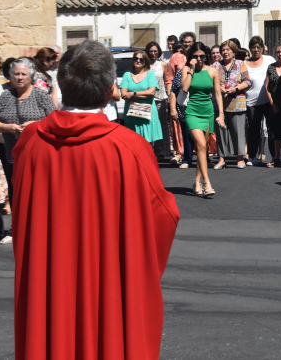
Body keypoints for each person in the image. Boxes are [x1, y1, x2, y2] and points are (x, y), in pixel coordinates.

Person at [11, 40, 179, 360]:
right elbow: (163, 218)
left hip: (50, 287)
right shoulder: (130, 149)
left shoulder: (30, 145)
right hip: (110, 291)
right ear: (109, 89)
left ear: (62, 84)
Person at [0, 58, 55, 210]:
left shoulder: (40, 95)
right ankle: (16, 229)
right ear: (11, 76)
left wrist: (36, 125)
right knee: (16, 194)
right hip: (13, 156)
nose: (20, 77)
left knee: (38, 194)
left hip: (38, 156)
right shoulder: (6, 96)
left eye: (23, 74)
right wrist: (7, 127)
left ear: (31, 76)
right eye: (16, 74)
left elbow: (54, 121)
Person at [182, 42, 225, 195]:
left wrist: (221, 114)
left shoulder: (213, 71)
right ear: (191, 57)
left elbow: (218, 94)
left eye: (201, 56)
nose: (199, 59)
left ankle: (196, 181)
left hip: (207, 112)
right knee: (200, 144)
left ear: (206, 56)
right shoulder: (187, 69)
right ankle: (207, 182)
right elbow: (185, 88)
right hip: (192, 112)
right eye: (195, 56)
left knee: (203, 148)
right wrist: (192, 69)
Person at [213, 40, 251, 169]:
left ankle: (240, 158)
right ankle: (221, 158)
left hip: (237, 102)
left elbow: (248, 82)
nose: (225, 52)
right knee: (220, 131)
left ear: (234, 52)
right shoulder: (216, 65)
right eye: (223, 50)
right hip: (220, 103)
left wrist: (236, 88)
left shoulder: (241, 64)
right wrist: (218, 86)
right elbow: (211, 81)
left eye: (228, 50)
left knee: (238, 131)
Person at [120, 50, 163, 147]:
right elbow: (124, 94)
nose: (138, 61)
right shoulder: (127, 75)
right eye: (136, 59)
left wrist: (133, 94)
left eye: (141, 59)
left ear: (145, 61)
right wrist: (144, 94)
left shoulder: (150, 74)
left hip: (147, 114)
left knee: (147, 145)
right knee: (133, 144)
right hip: (131, 114)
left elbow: (151, 92)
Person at [245, 36, 276, 166]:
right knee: (253, 129)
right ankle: (252, 156)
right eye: (253, 47)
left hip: (269, 101)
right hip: (251, 102)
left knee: (272, 128)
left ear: (262, 48)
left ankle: (276, 155)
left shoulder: (269, 59)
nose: (256, 50)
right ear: (250, 48)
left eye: (258, 47)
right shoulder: (244, 63)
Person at [165, 32, 194, 163]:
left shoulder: (198, 56)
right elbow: (169, 79)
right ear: (182, 44)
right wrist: (171, 103)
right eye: (185, 42)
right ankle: (180, 153)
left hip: (196, 97)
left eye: (190, 42)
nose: (187, 44)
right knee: (180, 126)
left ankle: (202, 156)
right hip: (180, 96)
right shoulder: (176, 58)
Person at [146, 42, 172, 160]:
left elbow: (165, 80)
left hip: (161, 98)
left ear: (159, 52)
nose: (153, 53)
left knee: (162, 125)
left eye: (155, 51)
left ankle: (162, 150)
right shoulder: (144, 65)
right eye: (151, 51)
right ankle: (150, 150)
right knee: (149, 125)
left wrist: (169, 95)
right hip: (148, 99)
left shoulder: (162, 64)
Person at [265, 44, 281, 167]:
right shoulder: (271, 67)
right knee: (275, 132)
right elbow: (267, 87)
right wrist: (272, 103)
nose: (280, 54)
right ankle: (276, 158)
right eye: (278, 52)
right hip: (275, 105)